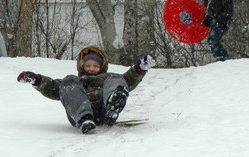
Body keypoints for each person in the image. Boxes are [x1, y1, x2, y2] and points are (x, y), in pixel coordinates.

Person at [17, 46, 157, 134]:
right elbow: (53, 87)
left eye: (95, 66)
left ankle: (114, 104)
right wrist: (37, 80)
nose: (91, 68)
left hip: (105, 112)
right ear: (81, 66)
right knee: (67, 83)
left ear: (101, 67)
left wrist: (140, 68)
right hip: (79, 116)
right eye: (88, 65)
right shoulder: (76, 81)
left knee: (117, 79)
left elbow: (128, 80)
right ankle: (85, 118)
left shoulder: (107, 77)